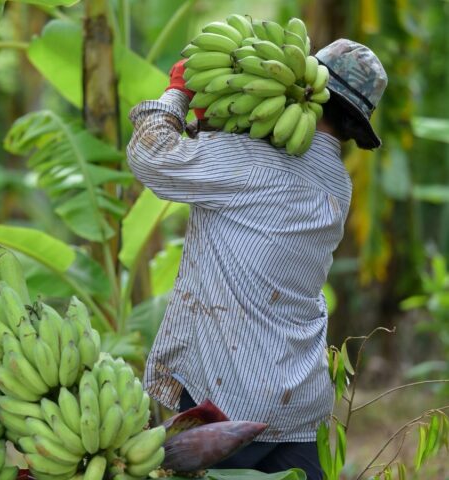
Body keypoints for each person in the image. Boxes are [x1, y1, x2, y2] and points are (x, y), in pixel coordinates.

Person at [127, 39, 388, 479]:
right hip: (301, 399)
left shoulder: (251, 160)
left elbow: (151, 155)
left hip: (229, 397)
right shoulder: (339, 185)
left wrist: (178, 94)